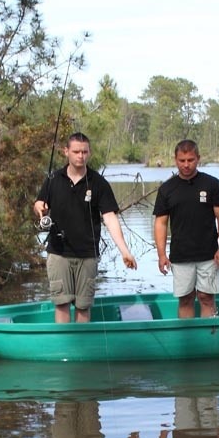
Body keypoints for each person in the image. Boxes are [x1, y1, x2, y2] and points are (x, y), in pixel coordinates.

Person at [34, 132, 137, 323]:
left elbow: (110, 218)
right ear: (66, 152)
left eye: (84, 152)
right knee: (62, 303)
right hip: (59, 252)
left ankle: (81, 348)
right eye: (76, 152)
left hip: (87, 254)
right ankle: (63, 348)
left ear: (89, 153)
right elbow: (39, 202)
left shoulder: (98, 183)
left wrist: (125, 251)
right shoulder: (53, 178)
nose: (80, 156)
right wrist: (39, 206)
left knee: (83, 306)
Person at [153, 139, 219, 318]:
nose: (186, 165)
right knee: (186, 298)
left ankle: (209, 339)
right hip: (180, 255)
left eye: (190, 160)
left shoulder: (212, 184)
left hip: (209, 254)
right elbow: (161, 223)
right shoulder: (167, 189)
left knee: (206, 297)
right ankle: (187, 339)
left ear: (198, 159)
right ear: (175, 159)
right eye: (182, 160)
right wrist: (161, 254)